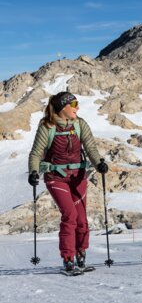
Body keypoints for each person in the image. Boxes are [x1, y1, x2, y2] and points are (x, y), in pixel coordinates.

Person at [28, 91, 108, 272]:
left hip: (78, 176)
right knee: (69, 215)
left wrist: (98, 164)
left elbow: (91, 147)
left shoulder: (80, 124)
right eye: (73, 104)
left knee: (81, 219)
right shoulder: (47, 126)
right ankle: (68, 258)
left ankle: (81, 254)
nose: (77, 108)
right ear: (62, 107)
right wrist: (34, 172)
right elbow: (35, 153)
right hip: (56, 178)